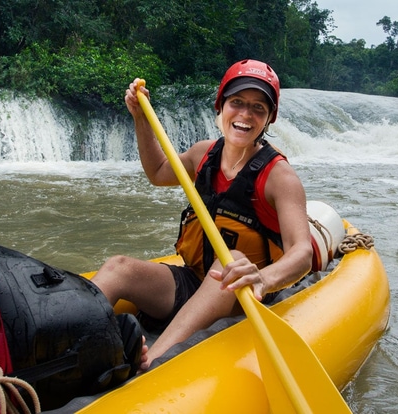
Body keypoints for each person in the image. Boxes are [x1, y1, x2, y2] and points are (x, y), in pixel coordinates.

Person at [91, 59, 312, 372]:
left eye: (258, 108)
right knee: (119, 267)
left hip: (246, 297)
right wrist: (140, 118)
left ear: (268, 118)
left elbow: (301, 252)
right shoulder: (203, 154)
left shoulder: (279, 177)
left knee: (230, 261)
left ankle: (151, 364)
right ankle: (71, 341)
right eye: (237, 103)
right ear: (220, 106)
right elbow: (157, 172)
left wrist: (263, 278)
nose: (246, 115)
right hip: (194, 281)